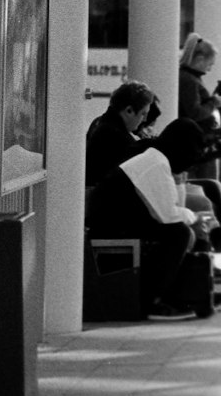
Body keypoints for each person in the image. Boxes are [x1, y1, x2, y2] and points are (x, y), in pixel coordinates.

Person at [87, 118, 216, 322]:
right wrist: (195, 217)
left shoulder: (156, 158)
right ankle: (149, 301)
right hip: (112, 227)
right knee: (179, 234)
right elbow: (169, 216)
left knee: (181, 231)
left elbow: (169, 208)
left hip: (117, 221)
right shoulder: (155, 164)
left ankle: (179, 294)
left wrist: (181, 187)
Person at [85, 79, 156, 189]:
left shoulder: (101, 124)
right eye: (143, 114)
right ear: (129, 111)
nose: (145, 119)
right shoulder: (115, 136)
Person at [178, 32, 221, 179]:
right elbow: (195, 112)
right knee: (209, 186)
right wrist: (213, 102)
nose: (209, 70)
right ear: (200, 59)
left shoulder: (187, 77)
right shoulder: (190, 80)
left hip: (197, 143)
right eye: (209, 65)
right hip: (199, 145)